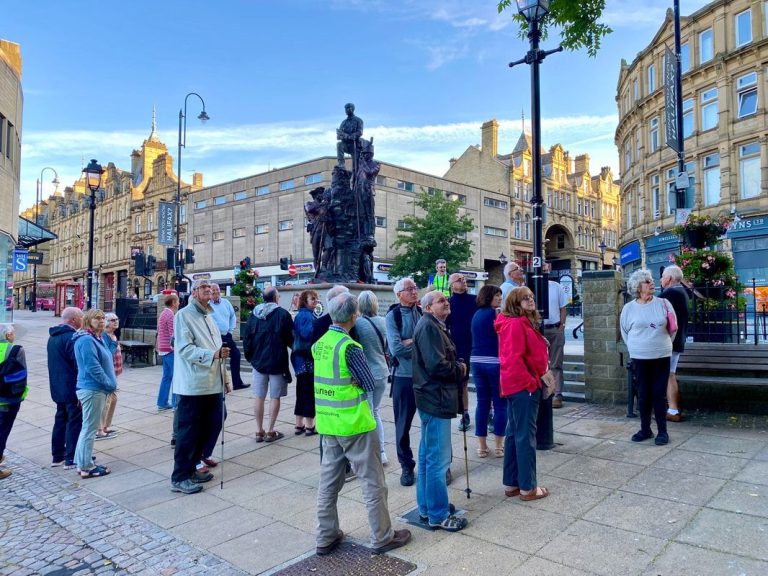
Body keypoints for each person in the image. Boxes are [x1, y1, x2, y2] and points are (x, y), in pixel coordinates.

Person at [313, 292, 411, 556]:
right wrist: (356, 381)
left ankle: (325, 535)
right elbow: (369, 382)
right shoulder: (349, 347)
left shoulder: (320, 344)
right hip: (354, 423)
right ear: (354, 317)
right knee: (373, 482)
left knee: (328, 483)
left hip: (328, 423)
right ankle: (382, 535)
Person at [413, 291, 467, 531]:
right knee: (437, 460)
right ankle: (437, 513)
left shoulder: (434, 325)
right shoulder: (429, 327)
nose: (446, 302)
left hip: (432, 397)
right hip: (435, 398)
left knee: (428, 457)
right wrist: (460, 368)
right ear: (427, 307)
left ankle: (428, 507)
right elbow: (437, 365)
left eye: (446, 299)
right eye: (441, 301)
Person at [171, 279, 231, 494]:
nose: (211, 292)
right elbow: (185, 349)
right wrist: (212, 355)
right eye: (205, 289)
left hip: (212, 382)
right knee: (188, 431)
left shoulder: (209, 315)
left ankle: (194, 464)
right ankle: (180, 476)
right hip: (193, 384)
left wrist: (225, 378)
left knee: (215, 420)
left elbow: (218, 348)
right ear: (194, 292)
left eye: (213, 289)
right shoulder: (184, 316)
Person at [496, 287, 554, 501]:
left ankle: (513, 483)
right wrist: (531, 383)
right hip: (523, 387)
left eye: (531, 296)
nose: (530, 300)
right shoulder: (517, 323)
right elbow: (513, 359)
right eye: (524, 298)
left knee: (514, 434)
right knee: (525, 437)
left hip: (517, 386)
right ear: (515, 302)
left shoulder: (518, 322)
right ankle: (528, 488)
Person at [621, 269, 676, 446]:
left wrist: (662, 345)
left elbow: (673, 329)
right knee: (643, 394)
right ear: (638, 287)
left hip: (661, 355)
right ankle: (645, 429)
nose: (652, 283)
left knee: (659, 394)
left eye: (652, 280)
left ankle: (662, 432)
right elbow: (625, 332)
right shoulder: (629, 309)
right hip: (640, 357)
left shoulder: (664, 303)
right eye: (647, 281)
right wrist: (637, 347)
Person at [243, 287, 294, 443]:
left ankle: (259, 431)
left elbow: (247, 338)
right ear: (276, 298)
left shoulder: (254, 315)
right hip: (277, 361)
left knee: (259, 396)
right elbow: (291, 338)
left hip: (258, 362)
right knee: (275, 396)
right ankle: (271, 430)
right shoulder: (283, 314)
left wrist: (251, 357)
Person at [385, 277, 422, 487]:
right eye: (410, 289)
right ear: (399, 294)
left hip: (423, 376)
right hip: (403, 378)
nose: (414, 291)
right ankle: (406, 466)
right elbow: (396, 349)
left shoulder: (421, 311)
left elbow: (429, 341)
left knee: (431, 421)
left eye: (415, 288)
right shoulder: (393, 316)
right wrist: (418, 344)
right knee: (402, 425)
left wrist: (412, 341)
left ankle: (438, 464)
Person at [72, 309, 117, 479]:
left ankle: (81, 461)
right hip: (93, 389)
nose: (101, 321)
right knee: (90, 428)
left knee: (87, 427)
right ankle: (86, 467)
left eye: (102, 318)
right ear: (88, 321)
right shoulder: (86, 340)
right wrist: (109, 383)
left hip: (96, 388)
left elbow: (107, 356)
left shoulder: (96, 338)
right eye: (96, 318)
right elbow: (93, 367)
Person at [470, 285, 506, 458]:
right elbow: (503, 336)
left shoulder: (476, 314)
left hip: (476, 361)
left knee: (482, 403)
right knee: (500, 404)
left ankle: (482, 446)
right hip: (494, 362)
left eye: (500, 295)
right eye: (497, 295)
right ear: (488, 297)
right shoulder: (495, 313)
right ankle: (499, 446)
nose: (499, 298)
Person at [354, 290, 389, 466]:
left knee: (367, 414)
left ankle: (371, 452)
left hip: (366, 374)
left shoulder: (357, 324)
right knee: (375, 412)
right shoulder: (383, 322)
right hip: (382, 372)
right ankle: (381, 451)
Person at [48, 307, 84, 468]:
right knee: (74, 421)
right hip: (71, 387)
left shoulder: (53, 337)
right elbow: (77, 364)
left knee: (60, 419)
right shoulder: (71, 337)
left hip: (57, 387)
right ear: (73, 320)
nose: (83, 320)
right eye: (81, 317)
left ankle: (57, 456)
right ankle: (71, 457)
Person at [660, 265, 690, 423]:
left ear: (669, 279)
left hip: (669, 342)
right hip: (677, 341)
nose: (661, 279)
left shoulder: (670, 293)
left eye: (663, 276)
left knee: (667, 375)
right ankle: (674, 408)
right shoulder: (682, 292)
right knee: (670, 374)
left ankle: (672, 409)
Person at [447, 272, 476, 432]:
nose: (463, 281)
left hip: (476, 345)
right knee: (462, 382)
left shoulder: (475, 300)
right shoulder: (448, 303)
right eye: (459, 279)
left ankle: (490, 412)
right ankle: (465, 413)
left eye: (464, 279)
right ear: (452, 285)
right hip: (458, 348)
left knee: (482, 381)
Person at [0, 325, 28, 480]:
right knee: (2, 432)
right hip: (7, 399)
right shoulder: (15, 350)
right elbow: (21, 376)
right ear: (8, 335)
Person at [210, 283, 248, 390]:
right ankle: (218, 385)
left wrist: (230, 331)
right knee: (217, 359)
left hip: (227, 336)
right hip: (214, 337)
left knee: (236, 355)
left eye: (217, 289)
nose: (216, 292)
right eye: (213, 290)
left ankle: (237, 383)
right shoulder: (208, 305)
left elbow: (232, 317)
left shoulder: (226, 302)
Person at [542, 264, 569, 409]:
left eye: (546, 270)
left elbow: (563, 307)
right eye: (542, 270)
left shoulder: (556, 286)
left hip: (555, 328)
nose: (544, 272)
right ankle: (544, 392)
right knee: (540, 364)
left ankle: (558, 394)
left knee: (556, 363)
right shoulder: (530, 287)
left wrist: (562, 326)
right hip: (538, 330)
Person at [293, 289, 319, 436]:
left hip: (300, 359)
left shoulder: (303, 314)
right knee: (309, 392)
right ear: (305, 301)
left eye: (316, 299)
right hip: (307, 359)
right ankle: (310, 425)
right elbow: (308, 334)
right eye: (312, 299)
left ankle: (299, 424)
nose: (315, 301)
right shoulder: (306, 316)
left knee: (301, 391)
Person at [96, 312, 121, 440]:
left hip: (113, 374)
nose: (115, 321)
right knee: (106, 401)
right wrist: (114, 343)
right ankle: (99, 430)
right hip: (107, 374)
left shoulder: (113, 335)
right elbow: (107, 354)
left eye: (116, 319)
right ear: (106, 322)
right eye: (112, 320)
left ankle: (106, 426)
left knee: (113, 399)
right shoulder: (106, 336)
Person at [156, 292, 179, 410]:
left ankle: (162, 402)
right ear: (174, 303)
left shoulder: (163, 313)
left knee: (167, 376)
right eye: (178, 301)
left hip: (163, 348)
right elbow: (172, 333)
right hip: (170, 349)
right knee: (176, 376)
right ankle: (176, 404)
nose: (179, 303)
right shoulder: (170, 314)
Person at [336, 102, 364, 168]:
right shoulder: (343, 122)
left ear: (353, 109)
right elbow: (339, 136)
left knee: (356, 166)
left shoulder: (358, 120)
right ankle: (341, 163)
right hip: (345, 144)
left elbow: (360, 132)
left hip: (355, 145)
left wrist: (348, 136)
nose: (347, 110)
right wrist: (339, 135)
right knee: (339, 145)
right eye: (346, 109)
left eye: (349, 108)